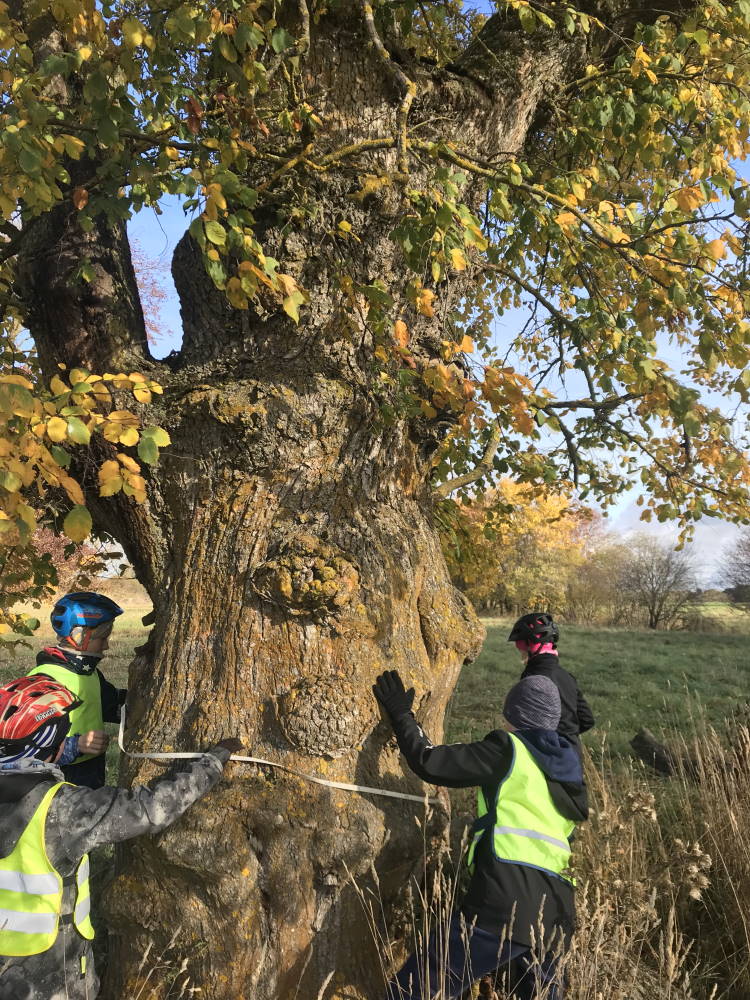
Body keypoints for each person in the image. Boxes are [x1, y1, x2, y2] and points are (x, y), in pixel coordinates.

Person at [0, 674, 243, 1000]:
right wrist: (212, 763)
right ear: (50, 740)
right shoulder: (61, 809)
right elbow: (151, 809)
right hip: (48, 976)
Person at [373, 670, 588, 1000]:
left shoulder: (508, 750)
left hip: (503, 903)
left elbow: (431, 761)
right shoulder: (569, 776)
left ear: (512, 714)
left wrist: (402, 714)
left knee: (413, 990)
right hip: (557, 915)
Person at [27, 591, 127, 789]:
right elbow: (27, 747)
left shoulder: (89, 674)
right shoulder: (45, 680)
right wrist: (75, 746)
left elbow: (111, 704)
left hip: (91, 772)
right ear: (79, 636)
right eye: (103, 638)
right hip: (58, 781)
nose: (106, 645)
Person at [508, 612, 594, 747]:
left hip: (549, 757)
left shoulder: (533, 678)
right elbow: (587, 720)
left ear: (531, 645)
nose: (520, 652)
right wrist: (568, 736)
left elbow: (527, 726)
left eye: (521, 647)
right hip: (573, 756)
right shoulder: (567, 676)